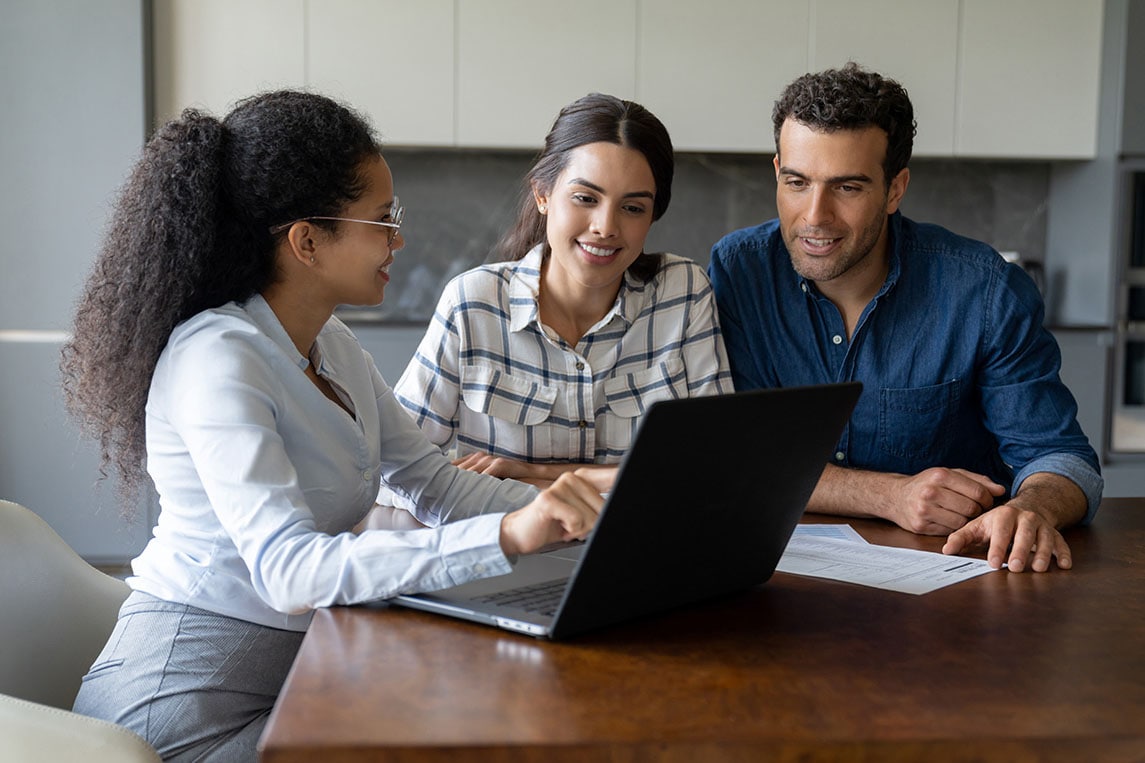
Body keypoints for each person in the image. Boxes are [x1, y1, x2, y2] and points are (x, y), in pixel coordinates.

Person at [59, 90, 613, 760]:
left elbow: (433, 484)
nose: (399, 239)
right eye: (382, 219)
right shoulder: (217, 358)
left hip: (292, 675)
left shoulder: (332, 344)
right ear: (307, 240)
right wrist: (505, 534)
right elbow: (289, 573)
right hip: (176, 710)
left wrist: (583, 514)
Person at [708, 63, 1103, 574]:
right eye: (797, 182)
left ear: (895, 189)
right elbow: (739, 457)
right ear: (777, 171)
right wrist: (888, 495)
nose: (815, 216)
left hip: (954, 582)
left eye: (847, 187)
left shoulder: (983, 290)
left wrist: (1032, 508)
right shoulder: (739, 272)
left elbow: (1063, 458)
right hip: (778, 582)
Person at [385, 93, 733, 495]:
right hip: (506, 550)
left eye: (633, 208)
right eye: (586, 198)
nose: (606, 226)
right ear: (543, 195)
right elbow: (394, 469)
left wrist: (545, 475)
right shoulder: (473, 303)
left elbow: (718, 465)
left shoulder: (684, 294)